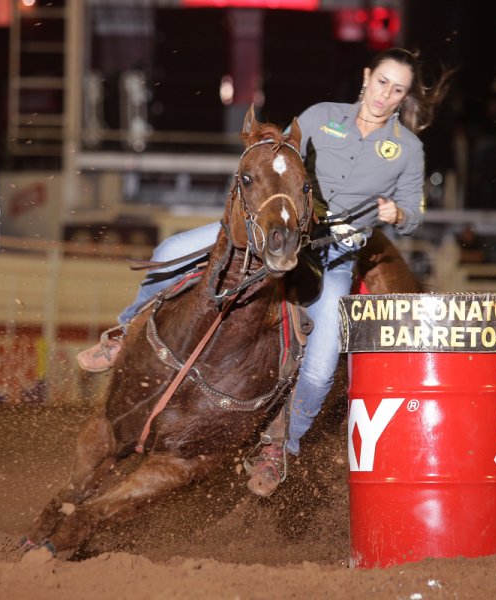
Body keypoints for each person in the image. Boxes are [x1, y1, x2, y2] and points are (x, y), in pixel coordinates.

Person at [77, 48, 453, 497]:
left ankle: (280, 446)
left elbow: (414, 215)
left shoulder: (408, 150)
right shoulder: (320, 117)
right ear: (367, 77)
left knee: (322, 363)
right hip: (278, 230)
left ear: (404, 97)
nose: (385, 95)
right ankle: (123, 334)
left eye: (397, 90)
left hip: (332, 257)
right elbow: (279, 161)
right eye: (382, 82)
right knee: (170, 249)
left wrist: (396, 213)